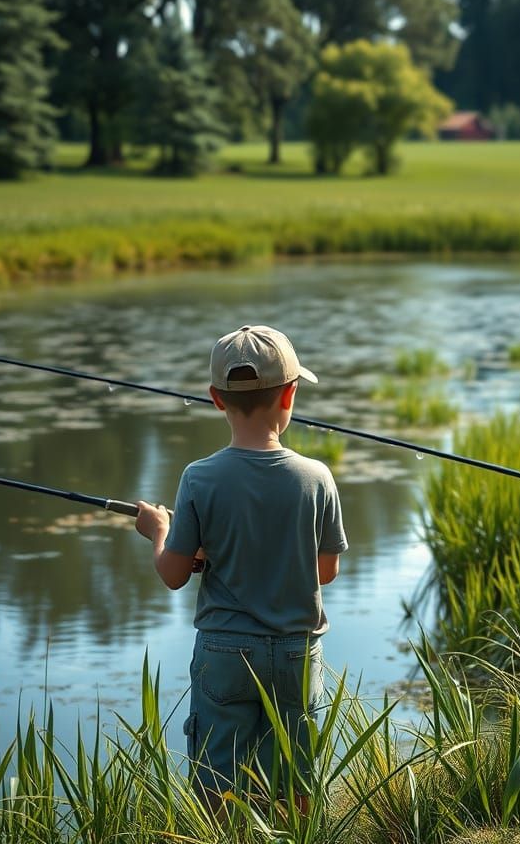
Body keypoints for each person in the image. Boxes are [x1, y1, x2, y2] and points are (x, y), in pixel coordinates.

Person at [134, 325, 348, 808]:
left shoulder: (199, 477)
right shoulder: (317, 477)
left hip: (225, 653)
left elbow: (172, 574)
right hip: (297, 651)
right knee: (296, 778)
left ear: (215, 398)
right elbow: (326, 570)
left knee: (217, 782)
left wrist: (158, 530)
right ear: (290, 395)